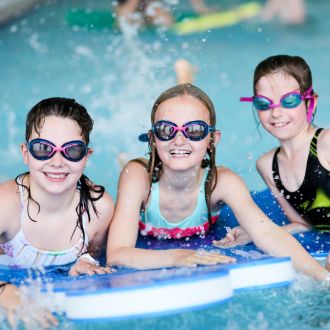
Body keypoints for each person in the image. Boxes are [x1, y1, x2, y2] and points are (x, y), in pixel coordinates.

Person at [106, 83, 329, 281]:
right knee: (132, 164)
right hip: (150, 189)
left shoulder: (221, 182)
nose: (179, 139)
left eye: (195, 130)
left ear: (213, 139)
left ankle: (184, 83)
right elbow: (116, 254)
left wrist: (324, 278)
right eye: (166, 130)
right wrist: (178, 257)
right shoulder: (137, 177)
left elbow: (269, 234)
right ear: (153, 138)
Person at [0, 98, 114, 320]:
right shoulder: (6, 206)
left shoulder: (99, 209)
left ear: (87, 156)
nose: (57, 161)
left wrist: (85, 263)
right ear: (25, 153)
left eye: (72, 151)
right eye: (43, 149)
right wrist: (5, 291)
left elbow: (100, 258)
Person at [223, 55, 330, 271]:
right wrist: (255, 231)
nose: (276, 112)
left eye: (289, 101)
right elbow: (303, 223)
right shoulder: (267, 165)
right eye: (264, 104)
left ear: (310, 101)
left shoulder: (326, 144)